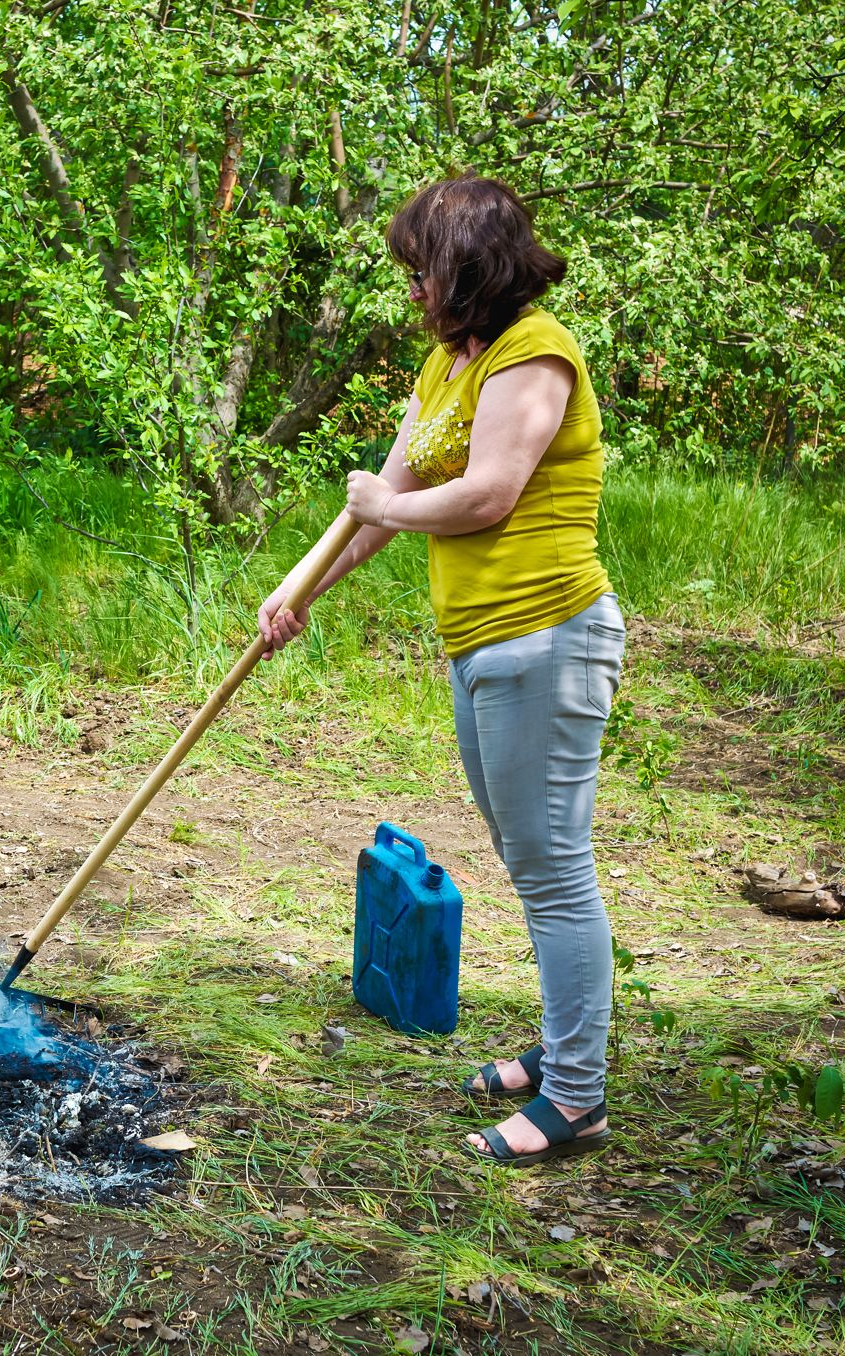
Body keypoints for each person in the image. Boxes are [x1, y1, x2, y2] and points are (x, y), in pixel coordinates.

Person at [257, 173, 625, 1167]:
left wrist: (381, 505)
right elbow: (379, 508)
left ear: (467, 266)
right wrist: (299, 593)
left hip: (549, 636)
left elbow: (487, 496)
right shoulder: (447, 365)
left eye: (423, 270)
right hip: (483, 646)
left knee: (552, 868)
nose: (412, 289)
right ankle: (561, 1053)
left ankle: (577, 1099)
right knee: (529, 856)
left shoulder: (535, 355)